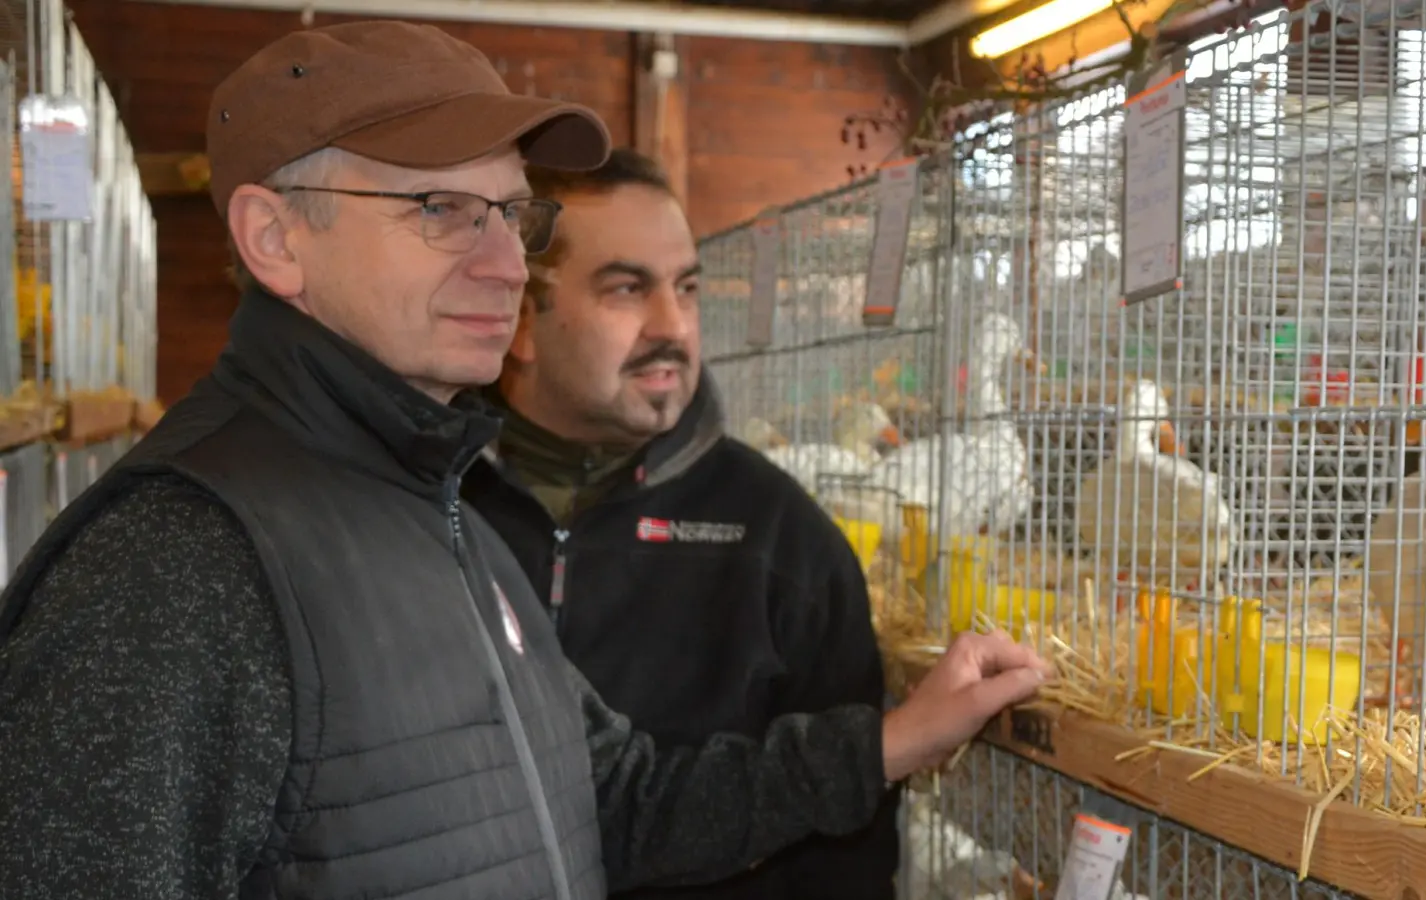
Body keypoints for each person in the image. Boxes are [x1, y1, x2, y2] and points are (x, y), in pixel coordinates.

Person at [0, 20, 1050, 900]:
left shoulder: (437, 512)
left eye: (510, 213)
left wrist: (889, 742)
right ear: (276, 239)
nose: (506, 264)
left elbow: (611, 803)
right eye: (439, 210)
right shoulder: (181, 565)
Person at [461, 148, 905, 900]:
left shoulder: (778, 540)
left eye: (687, 288)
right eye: (627, 288)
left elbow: (848, 862)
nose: (674, 326)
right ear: (519, 318)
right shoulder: (429, 515)